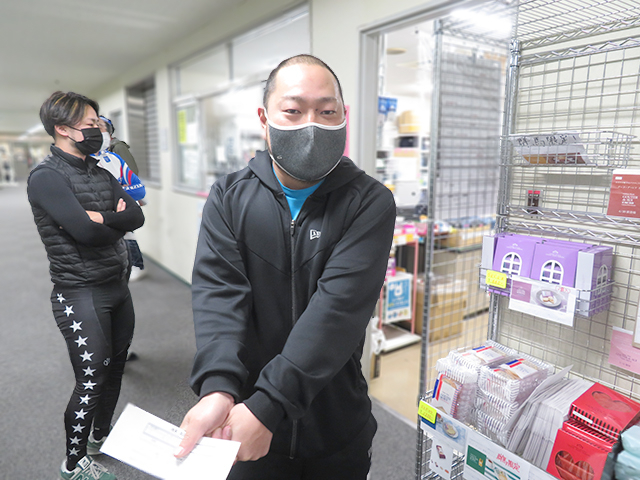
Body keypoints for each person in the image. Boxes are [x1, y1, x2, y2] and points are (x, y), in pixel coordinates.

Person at [176, 54, 396, 479]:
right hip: (242, 424)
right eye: (293, 111)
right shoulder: (229, 196)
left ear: (343, 117)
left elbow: (338, 311)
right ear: (265, 117)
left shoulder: (369, 202)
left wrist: (271, 404)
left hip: (335, 429)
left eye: (327, 111)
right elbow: (219, 296)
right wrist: (217, 388)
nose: (311, 124)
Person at [27, 91, 145, 480]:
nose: (98, 130)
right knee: (92, 379)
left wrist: (102, 216)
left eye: (98, 123)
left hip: (117, 286)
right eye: (91, 124)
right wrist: (113, 218)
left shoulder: (101, 171)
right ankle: (74, 463)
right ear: (62, 129)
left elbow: (138, 217)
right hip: (80, 294)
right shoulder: (46, 177)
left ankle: (101, 436)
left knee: (114, 372)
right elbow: (85, 233)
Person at [98, 116, 147, 281]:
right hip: (111, 199)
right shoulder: (98, 153)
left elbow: (132, 172)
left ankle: (137, 265)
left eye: (100, 127)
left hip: (124, 196)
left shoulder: (117, 148)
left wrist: (122, 190)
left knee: (128, 233)